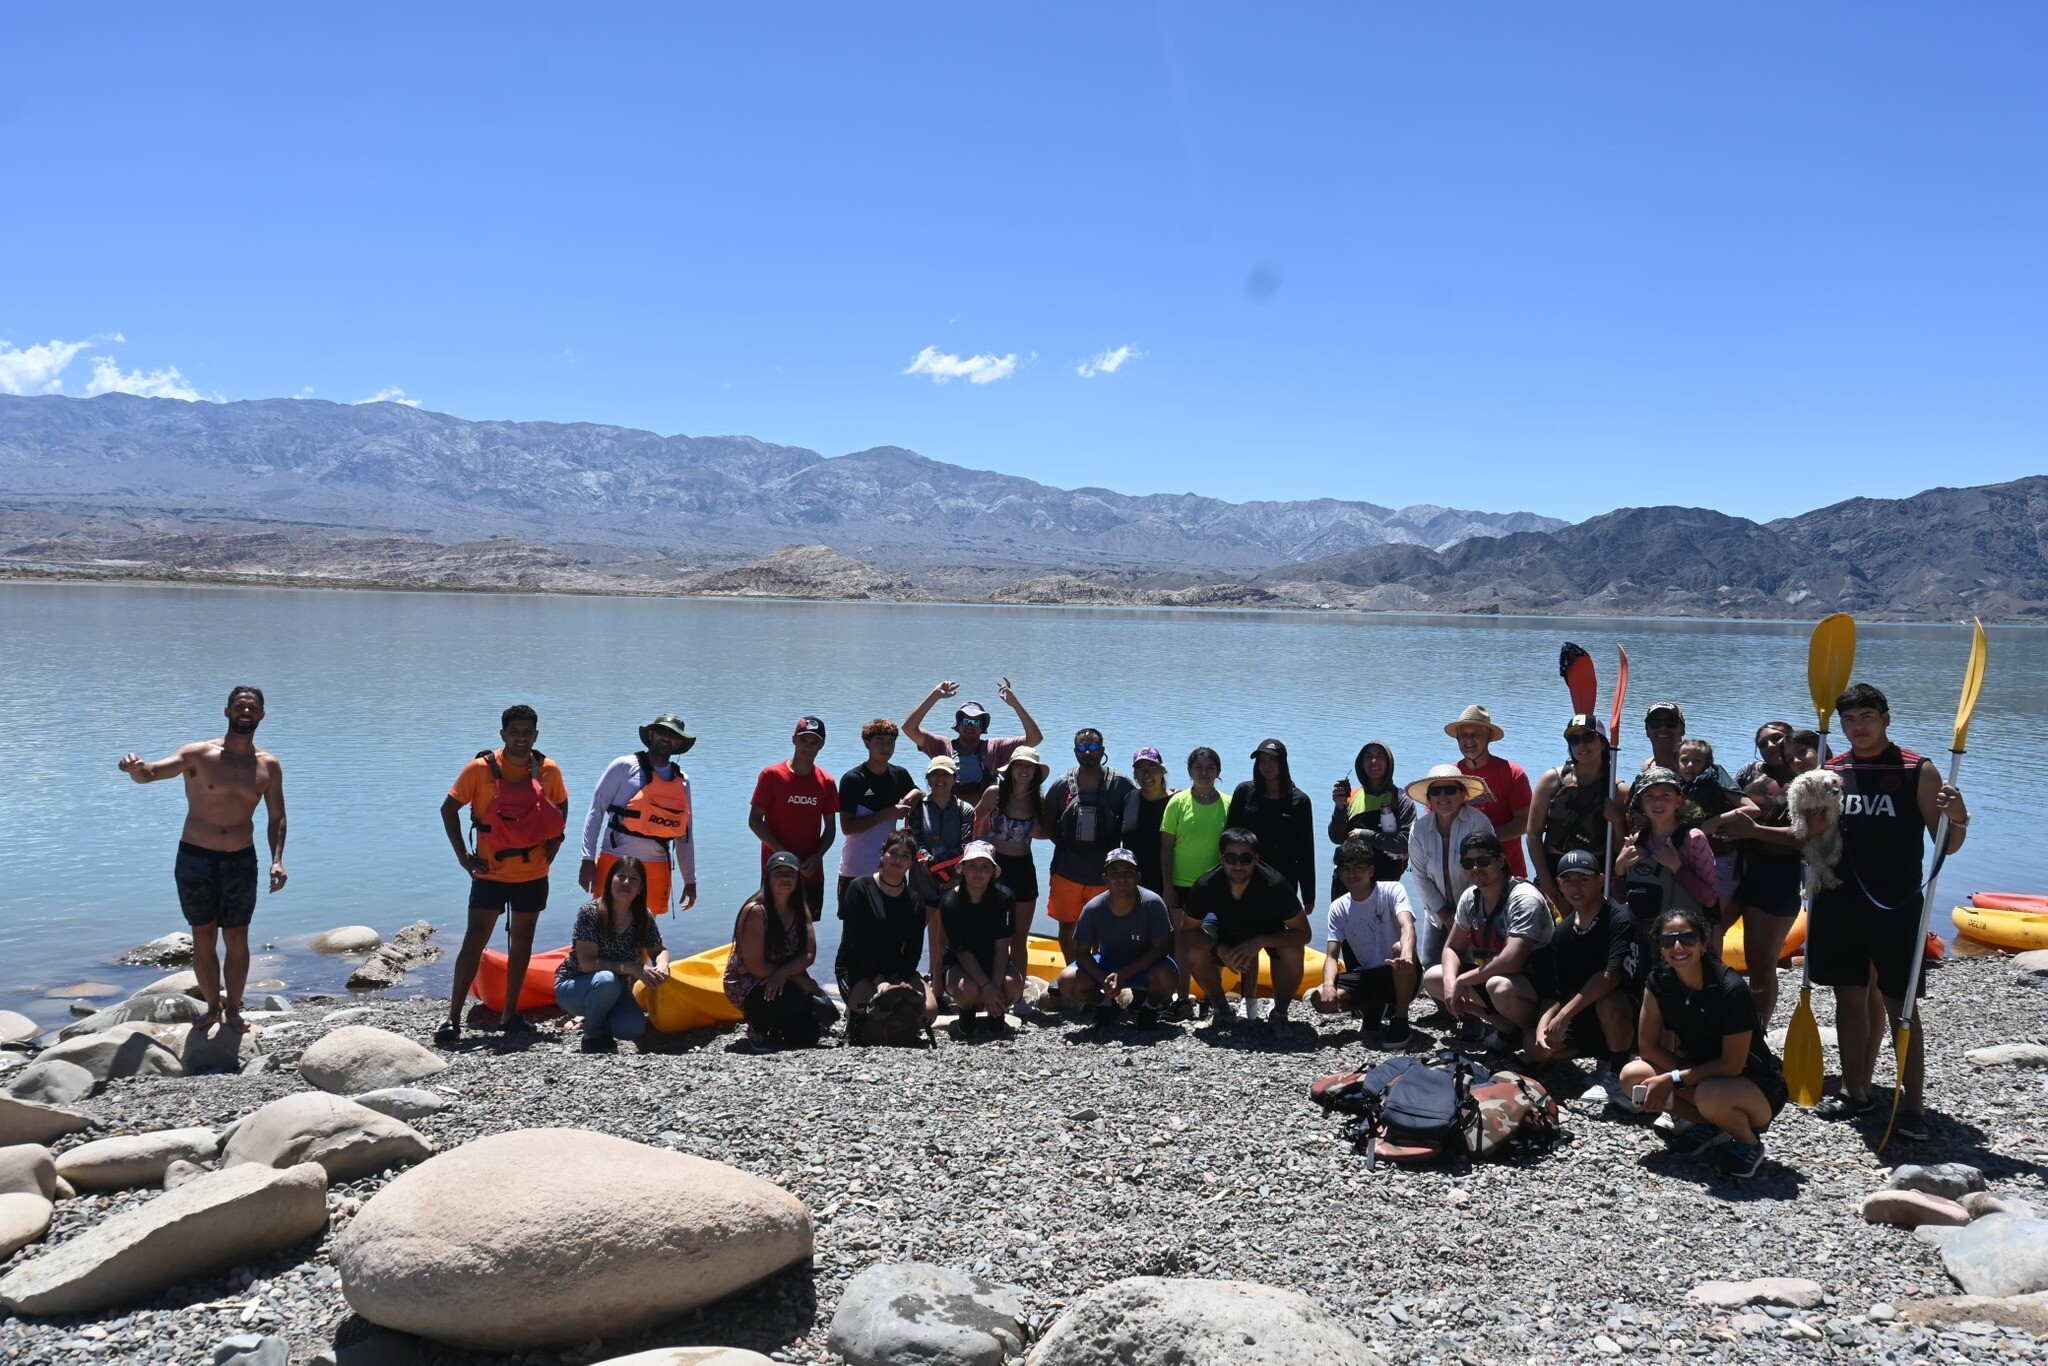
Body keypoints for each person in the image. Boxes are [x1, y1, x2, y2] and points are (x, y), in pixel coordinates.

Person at [1804, 683, 1969, 1140]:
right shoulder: (1831, 770)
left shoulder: (1919, 769)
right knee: (1848, 999)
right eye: (1850, 721)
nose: (1859, 728)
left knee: (1901, 1007)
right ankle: (1856, 1092)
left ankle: (1912, 1106)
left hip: (1895, 906)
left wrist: (1959, 815)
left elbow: (1946, 847)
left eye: (1867, 718)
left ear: (1886, 719)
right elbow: (1815, 837)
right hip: (1839, 902)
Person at [119, 685, 288, 1035]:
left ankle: (235, 1010)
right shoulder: (197, 754)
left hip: (241, 859)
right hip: (196, 857)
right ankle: (212, 1007)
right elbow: (151, 773)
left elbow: (277, 817)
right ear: (227, 712)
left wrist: (277, 860)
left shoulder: (267, 765)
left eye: (252, 707)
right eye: (239, 706)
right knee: (203, 934)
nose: (246, 711)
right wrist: (134, 768)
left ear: (261, 716)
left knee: (238, 936)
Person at [1619, 904, 1787, 1180]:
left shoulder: (1730, 989)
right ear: (1659, 947)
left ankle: (1748, 1142)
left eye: (1686, 938)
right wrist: (1680, 1075)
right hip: (1700, 1074)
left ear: (1704, 942)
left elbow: (1731, 1066)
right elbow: (1648, 1047)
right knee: (1633, 1076)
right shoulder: (1659, 982)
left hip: (1756, 1086)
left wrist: (1672, 1079)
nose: (1678, 947)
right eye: (1667, 940)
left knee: (1709, 1093)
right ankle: (1711, 1127)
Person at [436, 704, 570, 1045]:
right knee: (474, 940)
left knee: (522, 942)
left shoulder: (548, 770)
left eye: (527, 733)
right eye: (515, 733)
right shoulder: (479, 770)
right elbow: (448, 809)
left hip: (533, 873)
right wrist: (463, 858)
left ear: (536, 735)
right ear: (503, 735)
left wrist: (557, 839)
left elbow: (561, 805)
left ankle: (510, 1014)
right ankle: (452, 1019)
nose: (521, 739)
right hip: (490, 873)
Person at [1421, 832, 1554, 1052]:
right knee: (1434, 977)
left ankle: (1532, 1028)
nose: (1476, 868)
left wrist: (1463, 981)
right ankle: (1507, 1027)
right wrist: (1450, 983)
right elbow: (1452, 947)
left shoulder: (1523, 898)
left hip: (1535, 984)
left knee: (1498, 987)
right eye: (1468, 862)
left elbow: (1512, 961)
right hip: (1497, 978)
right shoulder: (1471, 897)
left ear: (1500, 861)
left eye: (1483, 860)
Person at [1526, 850, 1639, 1102]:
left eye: (1583, 879)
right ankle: (1598, 1055)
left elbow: (1611, 977)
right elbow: (1555, 990)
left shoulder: (1619, 918)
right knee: (1534, 1046)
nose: (1575, 887)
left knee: (1609, 1001)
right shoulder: (1564, 931)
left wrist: (1565, 1014)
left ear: (1600, 880)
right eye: (1568, 880)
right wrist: (1546, 1024)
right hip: (1584, 1015)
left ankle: (1618, 1072)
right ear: (1559, 885)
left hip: (1628, 1014)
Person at [1182, 828, 1312, 1027]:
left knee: (1293, 947)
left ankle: (1280, 1014)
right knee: (1194, 949)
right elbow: (1188, 931)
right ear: (1222, 858)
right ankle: (1221, 1010)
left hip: (1265, 930)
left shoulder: (1275, 884)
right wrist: (1219, 949)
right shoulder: (1206, 884)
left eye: (1246, 858)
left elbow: (1304, 933)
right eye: (1231, 858)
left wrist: (1259, 942)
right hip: (1223, 928)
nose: (1238, 865)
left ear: (1256, 858)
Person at [1721, 721, 1806, 1023]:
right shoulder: (1748, 772)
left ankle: (1757, 1031)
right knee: (1707, 936)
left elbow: (1805, 836)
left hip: (1778, 877)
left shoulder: (1806, 778)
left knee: (1760, 963)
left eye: (1777, 739)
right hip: (1739, 871)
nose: (1770, 746)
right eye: (1763, 743)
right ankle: (1714, 1018)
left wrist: (1756, 831)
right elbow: (1725, 802)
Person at [579, 713, 698, 919]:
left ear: (678, 742)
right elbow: (595, 811)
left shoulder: (683, 780)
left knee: (645, 931)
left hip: (656, 866)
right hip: (616, 860)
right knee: (604, 924)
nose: (666, 738)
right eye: (661, 732)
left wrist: (690, 880)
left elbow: (684, 836)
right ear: (650, 734)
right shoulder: (623, 766)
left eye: (672, 735)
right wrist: (587, 859)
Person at [554, 855, 669, 1052]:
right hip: (574, 986)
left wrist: (662, 965)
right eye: (621, 876)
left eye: (633, 879)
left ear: (641, 888)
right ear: (610, 880)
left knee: (632, 1028)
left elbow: (659, 950)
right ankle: (592, 1036)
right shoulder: (590, 912)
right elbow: (587, 964)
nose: (626, 882)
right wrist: (631, 968)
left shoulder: (644, 916)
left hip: (614, 990)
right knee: (607, 980)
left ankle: (599, 1018)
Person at [724, 851, 837, 1048]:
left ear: (797, 879)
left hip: (784, 976)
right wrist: (798, 980)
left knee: (807, 1037)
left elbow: (809, 954)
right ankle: (757, 1027)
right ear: (768, 879)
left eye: (790, 873)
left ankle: (777, 1025)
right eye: (779, 873)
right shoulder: (756, 911)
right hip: (750, 980)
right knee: (793, 997)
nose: (785, 878)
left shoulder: (801, 908)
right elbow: (755, 965)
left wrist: (784, 973)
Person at [1312, 834, 1418, 1045]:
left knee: (1399, 948)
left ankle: (1401, 1020)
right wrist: (1327, 985)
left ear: (1371, 870)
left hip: (1401, 972)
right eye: (1345, 868)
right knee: (1317, 998)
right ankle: (1372, 1006)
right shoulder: (1338, 907)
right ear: (1339, 873)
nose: (1352, 874)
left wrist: (1406, 954)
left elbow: (1408, 925)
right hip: (1367, 975)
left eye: (1358, 867)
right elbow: (1332, 955)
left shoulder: (1391, 890)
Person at [1043, 729, 1138, 961]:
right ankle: (1072, 969)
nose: (1088, 753)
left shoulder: (1121, 785)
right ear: (1075, 752)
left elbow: (1139, 813)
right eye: (1082, 748)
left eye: (1093, 748)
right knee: (1067, 927)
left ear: (1102, 751)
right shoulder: (1061, 786)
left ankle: (1098, 972)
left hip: (1104, 875)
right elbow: (1048, 825)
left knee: (1102, 928)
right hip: (1066, 871)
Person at [1058, 845, 1177, 1027]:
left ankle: (1149, 1007)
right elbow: (1081, 952)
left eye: (1128, 872)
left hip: (1145, 965)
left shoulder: (1153, 903)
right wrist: (1102, 979)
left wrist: (1125, 973)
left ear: (1138, 877)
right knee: (1067, 981)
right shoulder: (1093, 908)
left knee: (1169, 975)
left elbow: (1161, 948)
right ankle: (1106, 1005)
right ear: (1105, 879)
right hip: (1108, 964)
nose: (1122, 878)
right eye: (1114, 873)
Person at [835, 830, 940, 1028]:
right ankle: (855, 1013)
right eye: (893, 852)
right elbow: (853, 942)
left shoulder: (915, 900)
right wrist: (879, 981)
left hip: (895, 969)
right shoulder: (859, 888)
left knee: (929, 1013)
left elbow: (913, 950)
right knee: (876, 1007)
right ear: (882, 855)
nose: (898, 859)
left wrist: (900, 980)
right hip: (857, 966)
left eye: (905, 856)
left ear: (911, 863)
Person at [1404, 764, 1496, 981]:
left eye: (1450, 790)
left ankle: (1473, 1011)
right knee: (1430, 962)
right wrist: (1445, 915)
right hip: (1437, 911)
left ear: (1463, 794)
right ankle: (1445, 1013)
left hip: (1476, 908)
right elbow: (1420, 876)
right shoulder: (1418, 829)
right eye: (1435, 791)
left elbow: (1487, 871)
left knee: (1475, 963)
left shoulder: (1479, 822)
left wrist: (1463, 916)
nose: (1443, 796)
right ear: (1428, 798)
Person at [1527, 715, 1626, 904]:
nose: (1581, 745)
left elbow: (1620, 849)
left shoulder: (1617, 790)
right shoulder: (1551, 780)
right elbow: (1533, 835)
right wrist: (1546, 881)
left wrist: (1618, 820)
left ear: (1603, 743)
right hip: (1555, 870)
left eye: (1588, 738)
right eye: (1574, 739)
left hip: (1594, 876)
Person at [748, 716, 840, 920]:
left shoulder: (827, 782)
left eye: (814, 742)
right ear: (794, 740)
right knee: (771, 926)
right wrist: (785, 856)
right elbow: (755, 821)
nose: (808, 746)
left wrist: (817, 857)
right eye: (803, 740)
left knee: (805, 931)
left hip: (811, 872)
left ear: (821, 745)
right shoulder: (771, 775)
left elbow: (831, 828)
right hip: (777, 869)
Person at [1160, 747, 1228, 1018]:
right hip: (1180, 883)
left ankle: (1213, 997)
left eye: (1210, 767)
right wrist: (1166, 885)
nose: (1204, 772)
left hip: (1216, 886)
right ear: (1189, 771)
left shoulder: (1228, 802)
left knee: (1212, 941)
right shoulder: (1177, 803)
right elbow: (1166, 848)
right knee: (1182, 941)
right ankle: (1182, 998)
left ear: (1218, 772)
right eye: (1198, 767)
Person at [1613, 767, 1720, 938]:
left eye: (1666, 796)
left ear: (1678, 802)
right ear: (1640, 803)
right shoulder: (1636, 840)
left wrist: (1677, 867)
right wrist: (1619, 869)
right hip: (1643, 937)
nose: (1658, 803)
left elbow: (1710, 899)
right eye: (1649, 796)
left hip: (1684, 938)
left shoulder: (1693, 839)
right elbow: (1620, 898)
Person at [903, 678, 1043, 802]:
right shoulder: (942, 745)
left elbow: (1035, 738)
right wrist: (934, 696)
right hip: (951, 817)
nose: (970, 725)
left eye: (976, 722)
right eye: (965, 720)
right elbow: (909, 729)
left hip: (986, 822)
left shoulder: (995, 747)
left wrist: (1015, 704)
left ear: (983, 728)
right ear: (957, 724)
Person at [939, 842, 1024, 1035]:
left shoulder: (1005, 897)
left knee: (1013, 986)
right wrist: (986, 987)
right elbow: (961, 951)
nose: (978, 873)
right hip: (959, 962)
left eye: (985, 867)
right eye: (973, 866)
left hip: (993, 958)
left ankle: (996, 1014)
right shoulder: (950, 902)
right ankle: (966, 1016)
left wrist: (994, 985)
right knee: (968, 990)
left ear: (993, 871)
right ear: (963, 869)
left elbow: (1003, 945)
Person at [975, 747, 1049, 965]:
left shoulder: (1039, 801)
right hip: (994, 867)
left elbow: (1041, 833)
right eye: (1020, 764)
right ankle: (986, 984)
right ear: (1011, 768)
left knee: (1019, 939)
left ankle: (1018, 995)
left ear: (1035, 771)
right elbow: (974, 824)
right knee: (990, 934)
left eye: (1030, 766)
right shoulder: (994, 793)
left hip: (1023, 869)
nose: (1024, 770)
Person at [1226, 738, 1316, 915]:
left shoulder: (1300, 801)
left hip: (1283, 881)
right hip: (1244, 876)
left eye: (1273, 760)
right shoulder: (1244, 792)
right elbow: (1228, 837)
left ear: (1283, 763)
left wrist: (1309, 896)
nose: (1267, 766)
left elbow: (1305, 850)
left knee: (1276, 935)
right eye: (1262, 761)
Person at [837, 718, 918, 908]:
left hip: (890, 867)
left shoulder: (899, 775)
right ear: (867, 743)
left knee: (891, 925)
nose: (886, 748)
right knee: (854, 930)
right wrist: (887, 813)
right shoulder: (852, 779)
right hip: (855, 867)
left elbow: (918, 793)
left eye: (890, 742)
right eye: (879, 741)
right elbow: (847, 827)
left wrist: (914, 795)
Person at [1445, 705, 1534, 878]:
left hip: (1509, 872)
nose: (1469, 741)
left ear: (1489, 737)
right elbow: (1435, 822)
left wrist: (1481, 842)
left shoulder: (1512, 773)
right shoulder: (1449, 776)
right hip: (1463, 874)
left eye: (1475, 735)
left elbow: (1524, 823)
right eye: (1463, 735)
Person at [1328, 740, 1414, 899]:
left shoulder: (1401, 800)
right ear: (1361, 763)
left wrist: (1365, 834)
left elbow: (1404, 842)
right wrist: (1339, 807)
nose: (1374, 761)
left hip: (1384, 884)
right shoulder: (1351, 797)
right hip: (1347, 884)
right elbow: (1336, 838)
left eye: (1380, 756)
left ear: (1389, 763)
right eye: (1368, 757)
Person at [1678, 737, 1745, 920]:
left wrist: (1714, 822)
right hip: (1693, 858)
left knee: (1712, 919)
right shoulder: (1680, 785)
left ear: (1707, 763)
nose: (1690, 765)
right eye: (1684, 760)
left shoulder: (1716, 776)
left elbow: (1751, 809)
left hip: (1721, 858)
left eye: (1697, 761)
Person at [906, 754, 973, 897]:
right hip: (921, 883)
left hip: (954, 883)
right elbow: (914, 842)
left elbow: (965, 848)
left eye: (946, 774)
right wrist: (934, 869)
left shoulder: (965, 810)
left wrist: (946, 875)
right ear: (928, 778)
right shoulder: (916, 808)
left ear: (955, 779)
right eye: (935, 773)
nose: (940, 778)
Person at [1124, 748, 1178, 897]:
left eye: (1152, 768)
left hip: (1170, 884)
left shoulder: (1177, 802)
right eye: (1140, 769)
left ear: (1162, 771)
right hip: (1133, 883)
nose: (1146, 774)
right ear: (1135, 774)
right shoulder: (1129, 799)